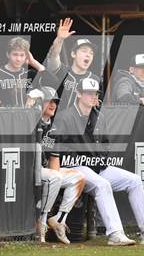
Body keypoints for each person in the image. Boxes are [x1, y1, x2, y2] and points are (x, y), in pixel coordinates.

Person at [53, 78, 144, 246]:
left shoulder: (98, 116)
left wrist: (101, 159)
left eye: (94, 93)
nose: (92, 96)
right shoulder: (66, 116)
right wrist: (83, 159)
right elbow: (56, 148)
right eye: (87, 93)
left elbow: (105, 144)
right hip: (76, 168)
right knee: (102, 185)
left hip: (97, 167)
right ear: (78, 94)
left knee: (134, 180)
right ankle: (115, 234)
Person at [29, 86, 85, 244]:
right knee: (54, 177)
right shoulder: (30, 120)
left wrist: (57, 177)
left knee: (78, 178)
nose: (52, 104)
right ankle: (41, 222)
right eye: (48, 101)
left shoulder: (54, 128)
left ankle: (59, 219)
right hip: (29, 169)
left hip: (44, 170)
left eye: (55, 101)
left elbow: (54, 159)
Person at [46, 18, 101, 110]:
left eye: (91, 53)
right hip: (58, 122)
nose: (88, 55)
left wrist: (96, 103)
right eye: (84, 51)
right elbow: (53, 56)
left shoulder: (94, 79)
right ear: (73, 54)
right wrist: (59, 39)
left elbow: (97, 103)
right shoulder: (62, 70)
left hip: (80, 123)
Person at [0, 36, 55, 107]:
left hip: (29, 117)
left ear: (26, 56)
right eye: (15, 54)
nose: (18, 59)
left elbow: (54, 82)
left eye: (22, 55)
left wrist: (34, 63)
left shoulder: (31, 74)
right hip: (5, 116)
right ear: (8, 54)